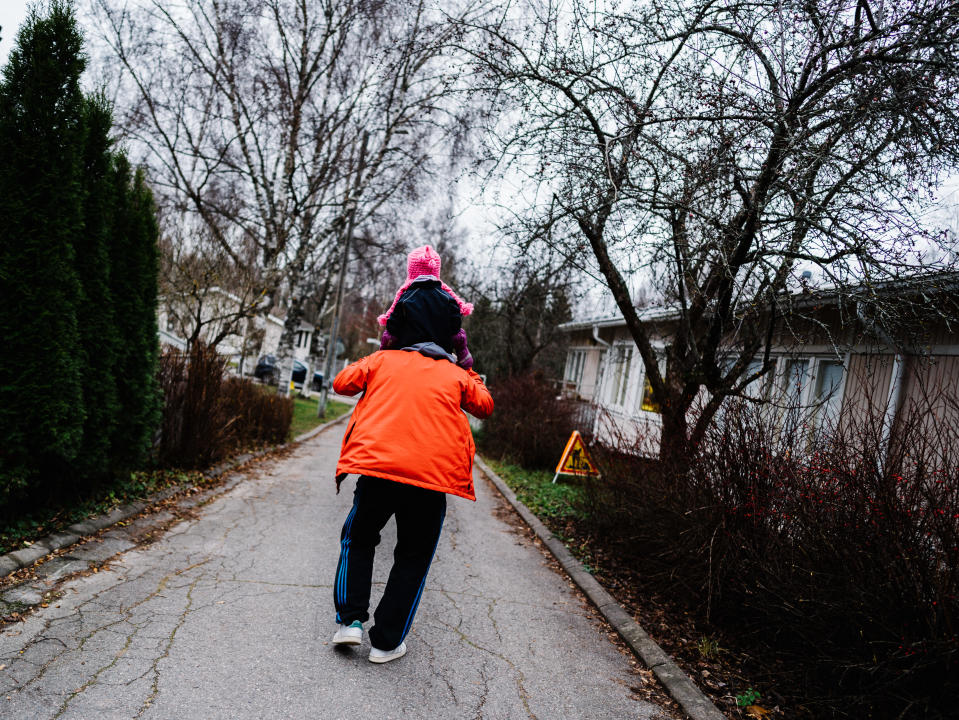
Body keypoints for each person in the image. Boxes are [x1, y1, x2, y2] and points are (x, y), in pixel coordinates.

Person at [329, 337, 493, 663]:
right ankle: (386, 643)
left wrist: (381, 351)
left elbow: (342, 383)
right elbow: (484, 406)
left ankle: (352, 621)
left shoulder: (383, 360)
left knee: (358, 538)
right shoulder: (455, 373)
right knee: (413, 557)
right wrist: (467, 364)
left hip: (378, 473)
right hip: (430, 483)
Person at [378, 245, 475, 369]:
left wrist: (383, 352)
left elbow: (391, 333)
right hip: (441, 360)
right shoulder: (448, 300)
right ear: (436, 271)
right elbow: (457, 335)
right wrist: (464, 357)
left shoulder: (405, 299)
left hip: (407, 358)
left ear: (411, 271)